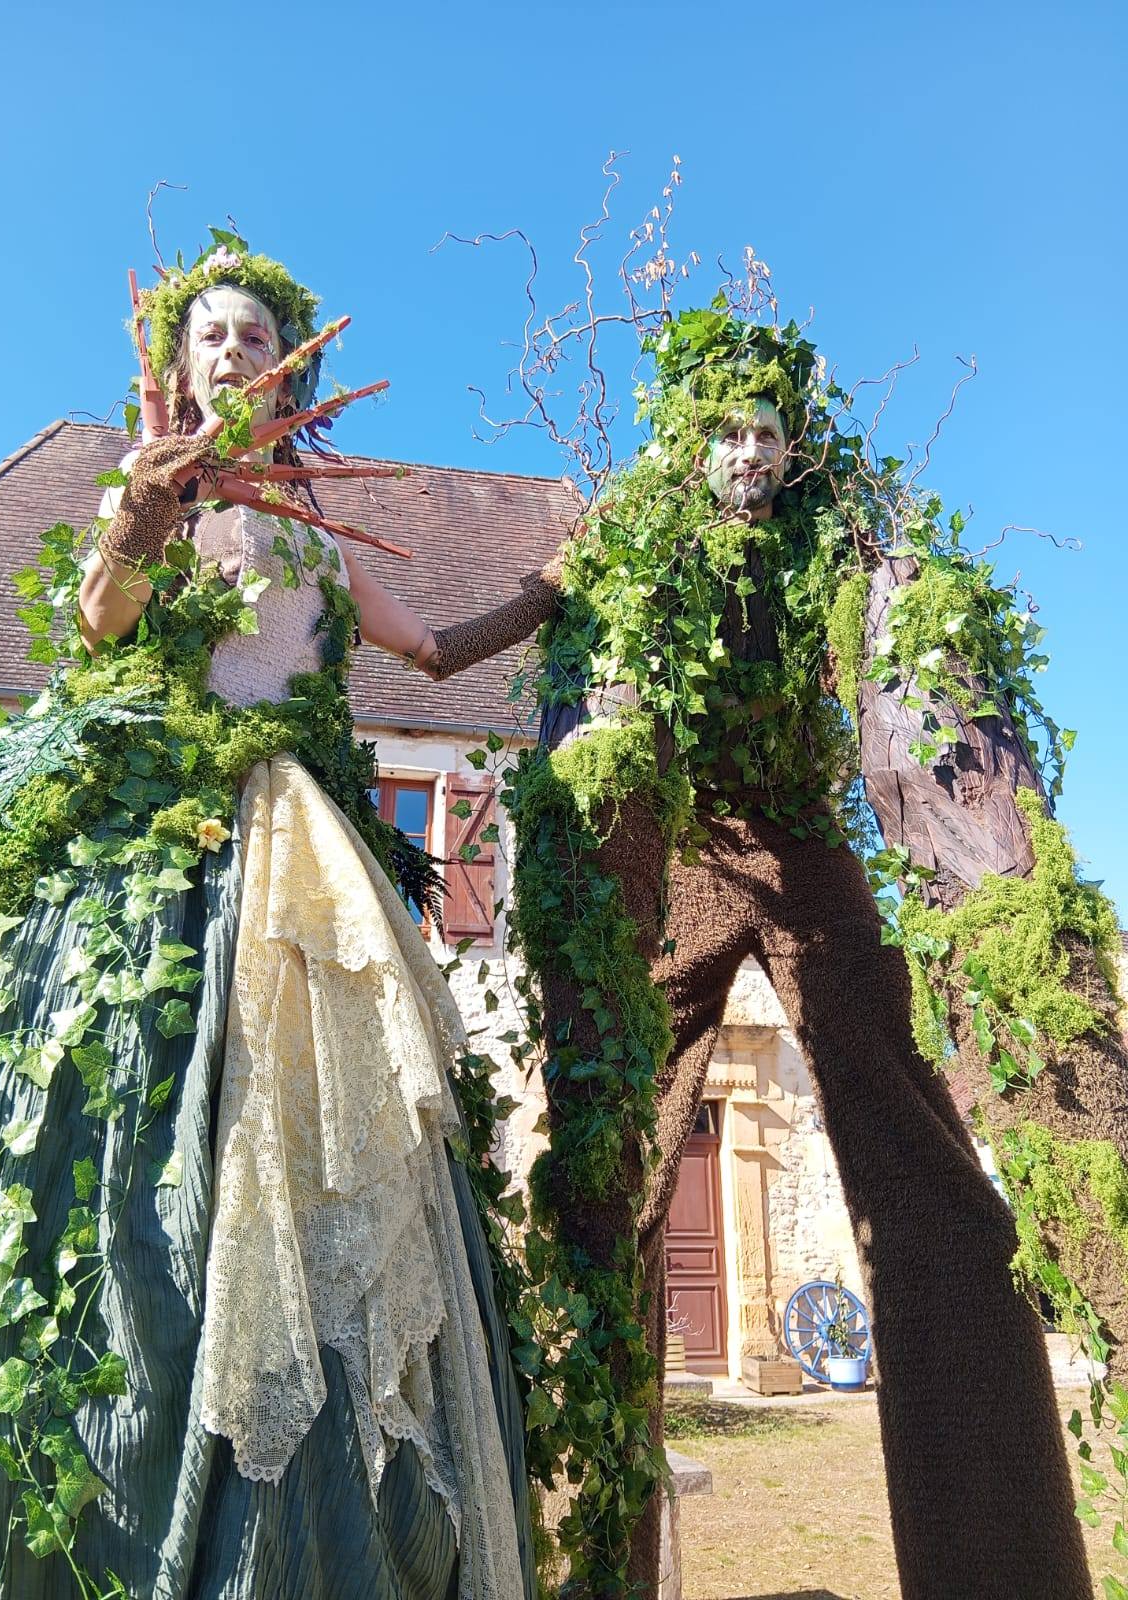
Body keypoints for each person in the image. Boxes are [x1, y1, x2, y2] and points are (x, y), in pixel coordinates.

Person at [428, 308, 1095, 1599]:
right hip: (681, 855)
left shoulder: (838, 545)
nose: (748, 454)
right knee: (608, 1161)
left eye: (769, 434)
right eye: (726, 433)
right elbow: (520, 623)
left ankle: (1003, 1564)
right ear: (692, 445)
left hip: (807, 858)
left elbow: (907, 676)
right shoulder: (632, 544)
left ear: (795, 449)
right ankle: (591, 1558)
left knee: (927, 1168)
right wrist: (419, 645)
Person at [0, 236, 535, 1600]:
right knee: (132, 1112)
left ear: (290, 363)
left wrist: (560, 586)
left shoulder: (316, 521)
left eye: (257, 333)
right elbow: (100, 627)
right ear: (172, 357)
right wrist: (139, 522)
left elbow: (428, 656)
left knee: (335, 1135)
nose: (234, 348)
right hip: (160, 823)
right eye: (211, 331)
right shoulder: (146, 481)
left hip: (305, 843)